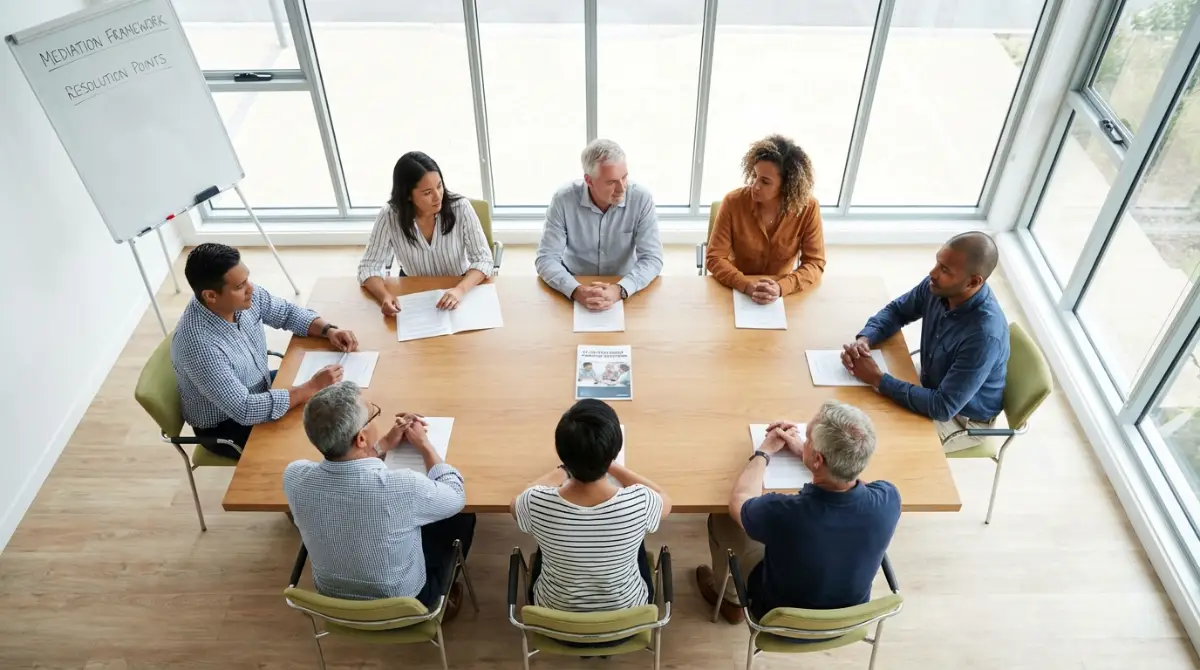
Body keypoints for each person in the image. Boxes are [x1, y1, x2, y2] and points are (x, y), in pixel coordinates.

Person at [284, 382, 476, 619]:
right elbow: (455, 495)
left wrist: (381, 446)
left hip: (332, 600)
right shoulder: (402, 486)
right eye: (372, 415)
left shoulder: (294, 476)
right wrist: (425, 445)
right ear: (361, 438)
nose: (376, 419)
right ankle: (440, 600)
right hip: (403, 602)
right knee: (462, 516)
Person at [697, 400, 900, 624]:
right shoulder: (890, 498)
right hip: (846, 621)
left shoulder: (784, 513)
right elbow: (851, 480)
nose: (805, 442)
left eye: (808, 439)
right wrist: (811, 457)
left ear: (818, 458)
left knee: (723, 518)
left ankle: (731, 601)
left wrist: (763, 452)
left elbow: (740, 499)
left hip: (778, 619)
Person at [172, 243, 359, 459]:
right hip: (227, 426)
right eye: (240, 286)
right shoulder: (199, 346)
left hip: (260, 385)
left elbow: (286, 313)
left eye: (247, 279)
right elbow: (245, 409)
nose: (251, 288)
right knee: (321, 437)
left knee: (338, 402)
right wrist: (311, 387)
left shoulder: (240, 298)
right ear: (211, 296)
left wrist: (328, 330)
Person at [841, 232, 1009, 453]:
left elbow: (942, 406)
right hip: (930, 382)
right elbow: (897, 311)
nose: (933, 273)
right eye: (938, 262)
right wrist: (866, 339)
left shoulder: (984, 336)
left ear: (974, 281)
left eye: (945, 270)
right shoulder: (939, 287)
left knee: (870, 444)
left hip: (960, 419)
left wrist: (877, 378)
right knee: (853, 407)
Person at [511, 399, 671, 615]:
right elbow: (664, 498)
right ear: (614, 451)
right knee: (638, 540)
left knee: (544, 540)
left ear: (561, 452)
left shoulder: (534, 502)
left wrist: (564, 469)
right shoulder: (640, 503)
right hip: (626, 615)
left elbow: (518, 500)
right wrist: (610, 464)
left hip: (555, 616)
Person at [357, 151, 495, 316]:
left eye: (439, 186)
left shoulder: (461, 208)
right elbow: (368, 267)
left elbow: (483, 260)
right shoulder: (389, 215)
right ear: (408, 195)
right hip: (413, 291)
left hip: (458, 286)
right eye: (427, 192)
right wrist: (384, 296)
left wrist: (459, 290)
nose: (438, 197)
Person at [535, 139, 664, 312]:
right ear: (589, 181)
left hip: (625, 283)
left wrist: (620, 289)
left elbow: (652, 258)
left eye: (624, 177)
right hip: (575, 281)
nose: (622, 188)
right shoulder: (563, 200)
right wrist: (575, 290)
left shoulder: (641, 199)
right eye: (611, 182)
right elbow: (546, 258)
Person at [706, 135, 826, 303]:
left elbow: (815, 263)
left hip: (781, 294)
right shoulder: (733, 202)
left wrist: (782, 287)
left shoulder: (808, 208)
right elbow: (715, 258)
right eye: (755, 176)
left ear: (787, 185)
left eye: (765, 181)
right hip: (737, 289)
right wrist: (746, 285)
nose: (755, 186)